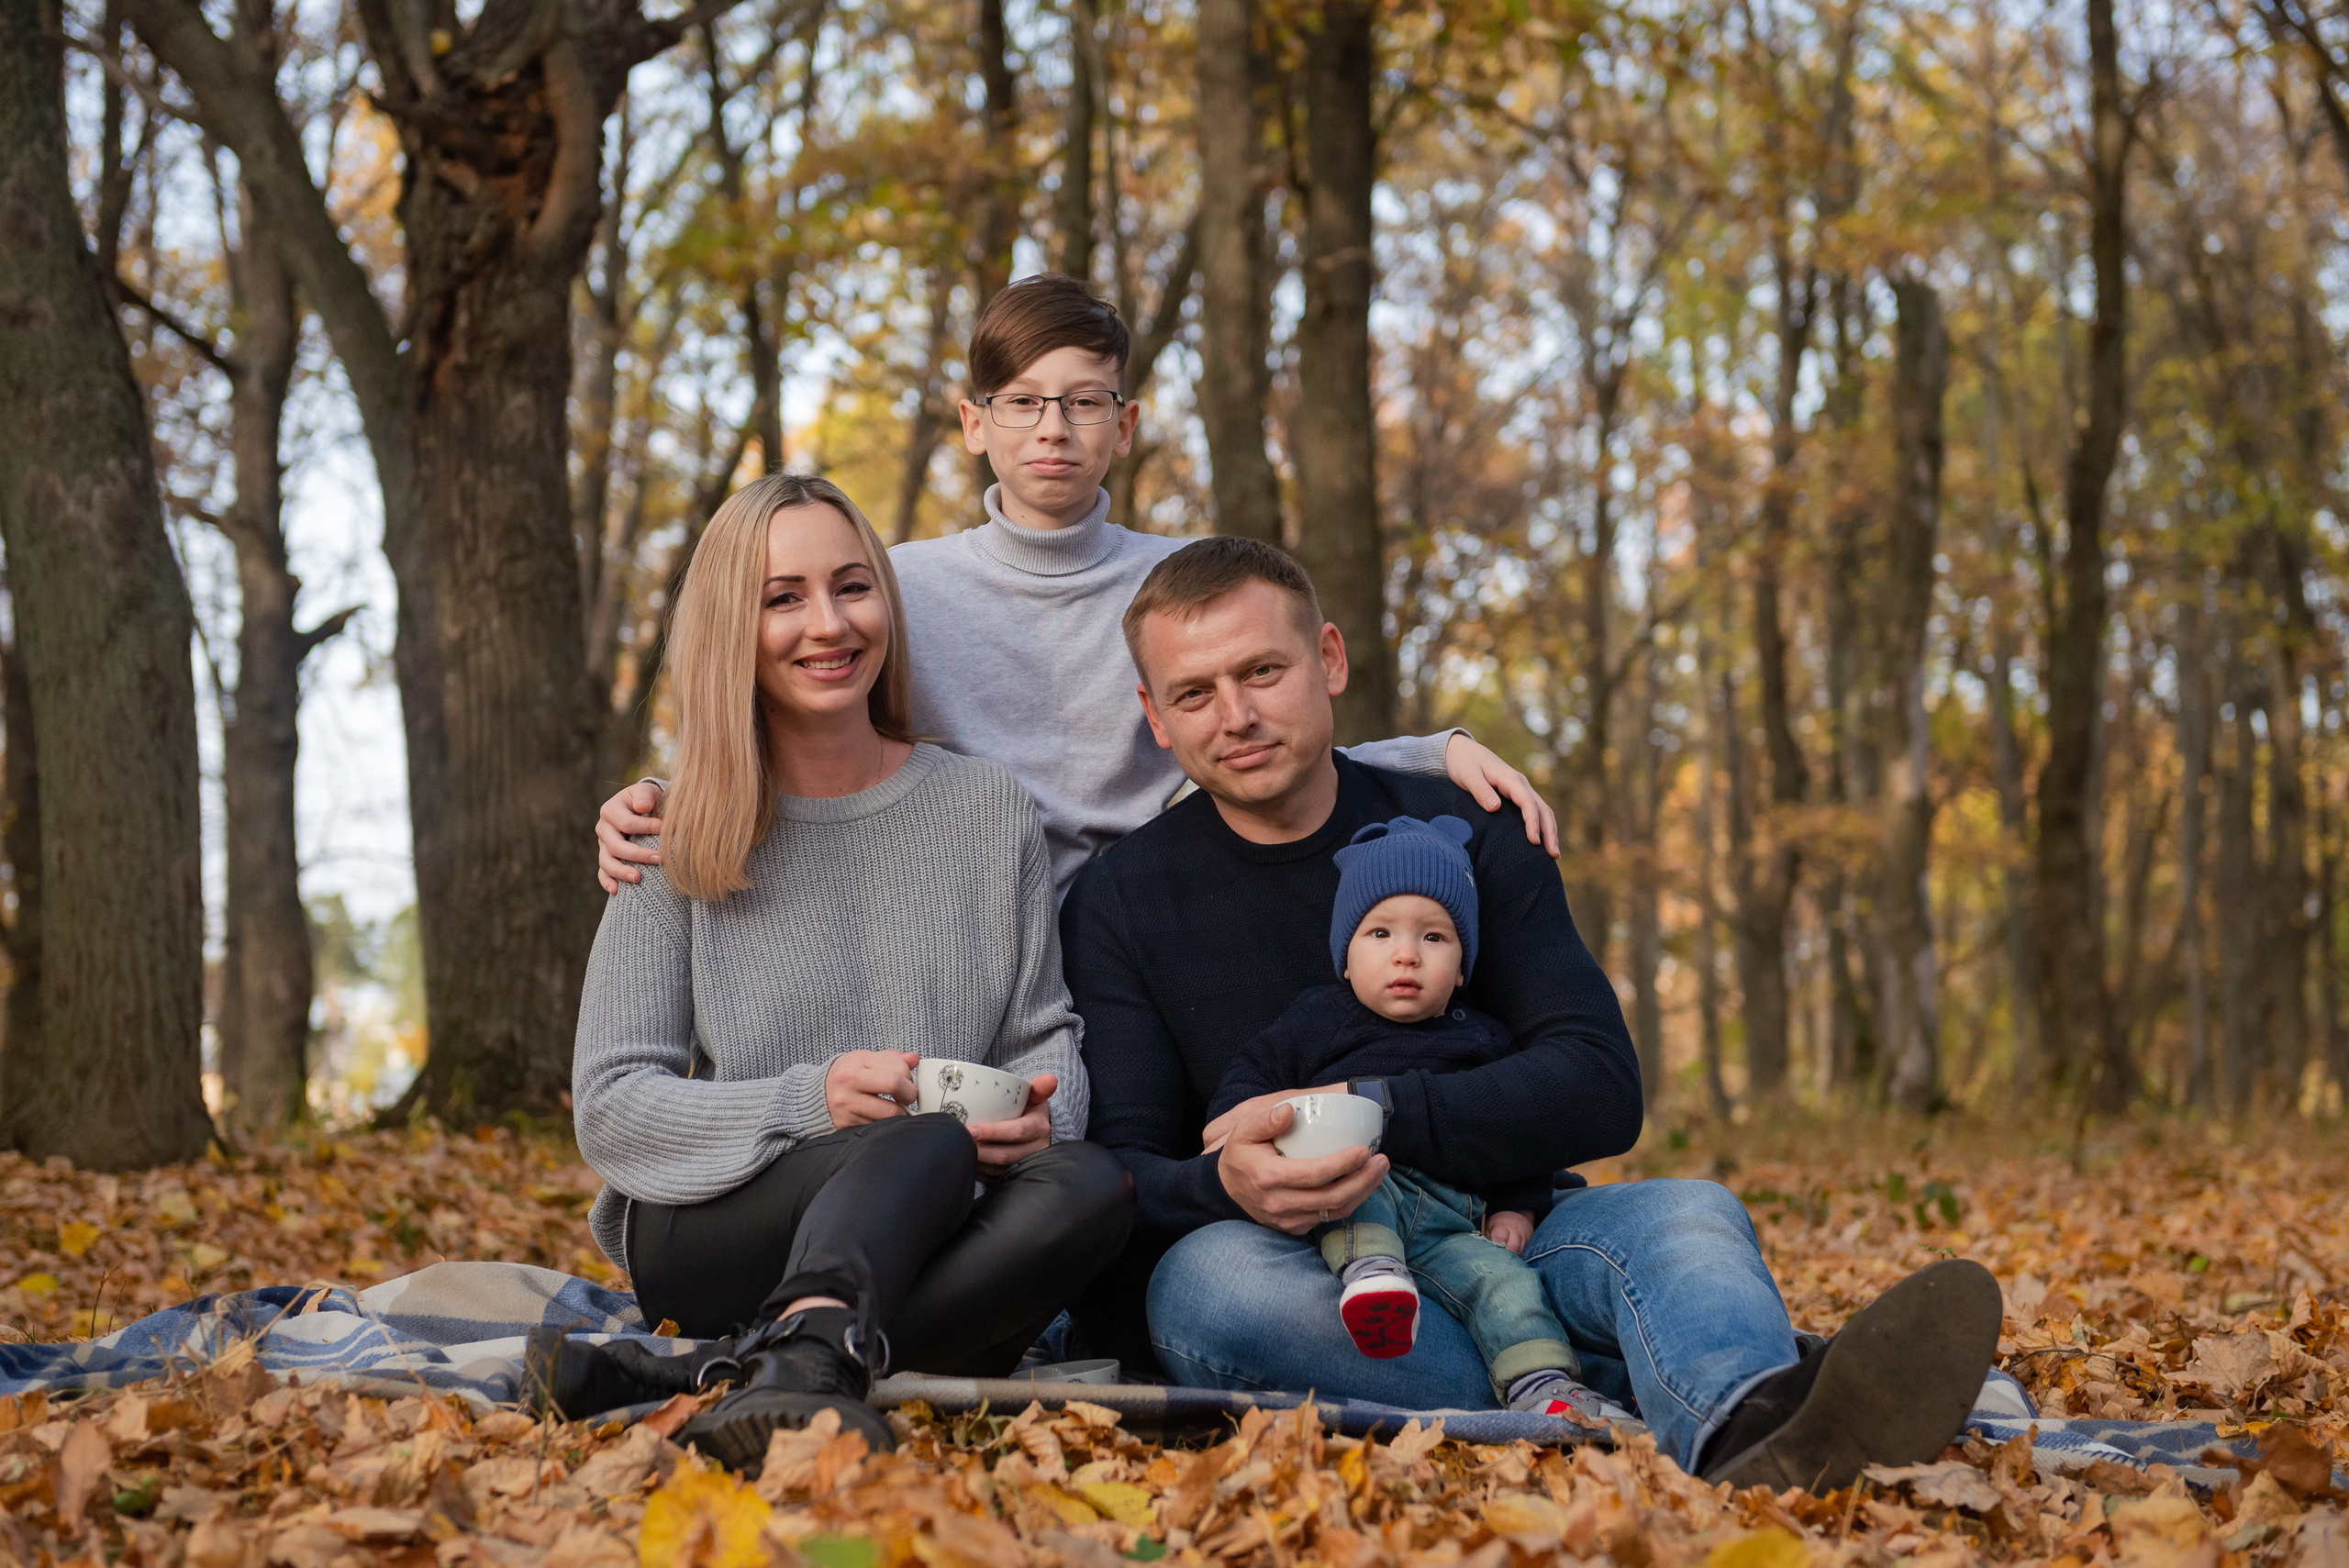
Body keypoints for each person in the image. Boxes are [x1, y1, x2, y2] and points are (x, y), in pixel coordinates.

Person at [1062, 535, 2002, 1493]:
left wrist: (1375, 1104)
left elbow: (1599, 1081)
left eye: (1263, 669)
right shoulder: (1122, 898)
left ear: (1329, 659)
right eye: (1194, 692)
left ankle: (1740, 1426)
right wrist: (1230, 1184)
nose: (1238, 713)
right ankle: (1649, 1382)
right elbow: (1125, 1169)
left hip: (1514, 1228)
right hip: (1309, 1266)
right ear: (1155, 716)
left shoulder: (1466, 829)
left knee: (1689, 1210)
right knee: (1208, 1288)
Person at [596, 273, 1559, 899]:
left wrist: (1437, 750)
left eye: (1083, 401)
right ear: (974, 423)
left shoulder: (1182, 585)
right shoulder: (897, 588)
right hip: (971, 926)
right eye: (1022, 402)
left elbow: (1271, 741)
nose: (1052, 427)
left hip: (1170, 911)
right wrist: (662, 793)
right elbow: (809, 725)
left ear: (1125, 424)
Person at [562, 473, 1133, 1472]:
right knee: (916, 1140)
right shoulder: (669, 826)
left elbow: (1045, 1033)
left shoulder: (986, 808)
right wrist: (809, 1099)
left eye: (852, 586)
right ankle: (801, 1341)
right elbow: (610, 1106)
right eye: (782, 597)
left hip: (939, 1212)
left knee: (1091, 1184)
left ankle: (773, 1366)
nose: (827, 623)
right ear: (729, 627)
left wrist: (1045, 1115)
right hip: (717, 1225)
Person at [1204, 812, 1629, 1425]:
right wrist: (1234, 1126)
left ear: (1461, 967)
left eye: (1434, 937)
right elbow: (1251, 1080)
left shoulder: (1483, 1039)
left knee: (1505, 1282)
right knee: (1360, 1186)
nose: (1406, 954)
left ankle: (1546, 1387)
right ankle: (1375, 1277)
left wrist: (1517, 1205)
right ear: (1345, 958)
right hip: (1356, 1190)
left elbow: (1520, 1134)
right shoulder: (1318, 1019)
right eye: (1379, 934)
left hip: (1453, 1221)